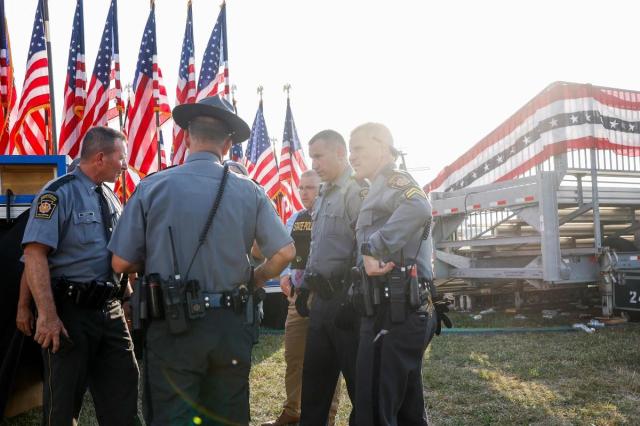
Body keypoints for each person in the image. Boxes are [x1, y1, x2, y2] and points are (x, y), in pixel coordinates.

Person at [108, 96, 295, 426]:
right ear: (227, 145)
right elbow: (285, 253)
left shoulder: (152, 186)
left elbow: (120, 262)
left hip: (173, 324)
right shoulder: (250, 191)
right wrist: (255, 278)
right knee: (227, 416)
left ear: (186, 137)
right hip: (231, 324)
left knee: (172, 417)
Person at [21, 126, 138, 426]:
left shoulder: (112, 198)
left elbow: (113, 256)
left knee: (123, 388)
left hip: (109, 312)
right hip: (69, 313)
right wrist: (45, 315)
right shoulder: (57, 194)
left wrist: (126, 299)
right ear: (101, 157)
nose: (125, 165)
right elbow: (35, 256)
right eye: (121, 158)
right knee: (63, 403)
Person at [349, 122, 449, 425]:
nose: (352, 156)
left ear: (381, 146)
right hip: (398, 310)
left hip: (394, 311)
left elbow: (419, 207)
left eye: (358, 148)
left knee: (375, 408)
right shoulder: (375, 187)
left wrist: (373, 248)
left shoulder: (394, 181)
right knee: (407, 409)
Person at [263, 170, 342, 426]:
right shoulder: (295, 218)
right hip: (297, 300)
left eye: (310, 187)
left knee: (329, 362)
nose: (304, 192)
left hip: (326, 298)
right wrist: (285, 275)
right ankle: (292, 410)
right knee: (294, 358)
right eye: (301, 187)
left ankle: (326, 418)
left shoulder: (333, 217)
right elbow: (286, 250)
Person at [298, 130, 366, 426]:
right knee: (314, 385)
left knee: (359, 387)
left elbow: (366, 248)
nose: (314, 163)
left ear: (340, 153)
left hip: (347, 302)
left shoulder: (357, 190)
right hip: (321, 302)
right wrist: (304, 287)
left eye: (319, 156)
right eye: (311, 156)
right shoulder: (324, 191)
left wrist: (355, 296)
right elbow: (317, 244)